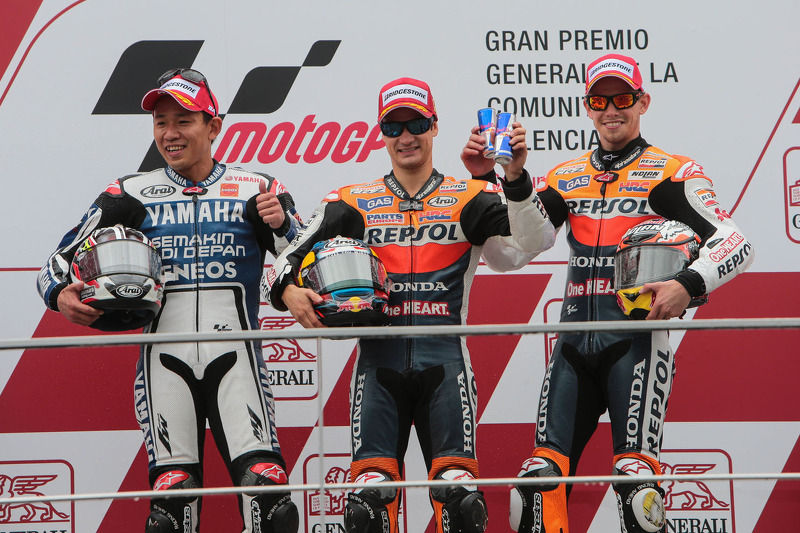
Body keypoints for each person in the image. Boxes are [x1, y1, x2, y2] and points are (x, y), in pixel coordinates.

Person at [264, 77, 556, 533]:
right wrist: (287, 292)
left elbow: (534, 242)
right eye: (393, 126)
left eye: (416, 123)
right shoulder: (350, 202)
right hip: (377, 369)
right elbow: (288, 258)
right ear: (381, 134)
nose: (405, 136)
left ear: (435, 127)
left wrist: (514, 178)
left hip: (448, 365)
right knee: (367, 509)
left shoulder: (471, 196)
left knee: (461, 506)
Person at [37, 68, 302, 533]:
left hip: (238, 361)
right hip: (164, 363)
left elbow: (301, 264)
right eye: (161, 121)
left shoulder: (259, 189)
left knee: (271, 502)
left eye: (184, 120)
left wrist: (282, 227)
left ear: (213, 125)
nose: (170, 133)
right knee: (171, 508)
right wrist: (59, 294)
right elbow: (56, 261)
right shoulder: (129, 193)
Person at [505, 54, 755, 533]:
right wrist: (514, 181)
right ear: (587, 106)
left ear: (643, 101)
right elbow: (519, 250)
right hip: (573, 343)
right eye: (600, 99)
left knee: (637, 487)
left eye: (622, 98)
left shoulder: (672, 171)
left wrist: (688, 284)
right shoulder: (566, 175)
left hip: (636, 344)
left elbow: (736, 243)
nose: (611, 109)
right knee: (538, 488)